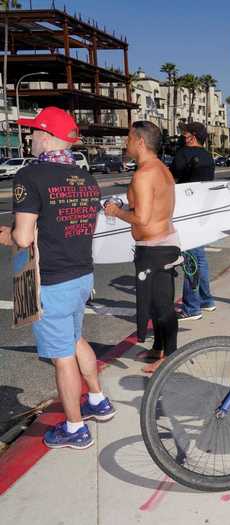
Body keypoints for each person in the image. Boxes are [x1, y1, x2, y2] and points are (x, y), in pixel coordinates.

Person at [0, 107, 115, 449]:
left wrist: (3, 234)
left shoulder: (31, 177)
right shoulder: (85, 177)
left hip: (49, 280)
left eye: (34, 132)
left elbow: (22, 238)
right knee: (76, 338)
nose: (30, 137)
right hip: (81, 274)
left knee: (61, 356)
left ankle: (75, 428)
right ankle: (97, 401)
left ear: (48, 137)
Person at [104, 121, 179, 374]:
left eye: (128, 139)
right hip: (162, 242)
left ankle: (170, 357)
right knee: (158, 302)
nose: (125, 144)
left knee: (162, 306)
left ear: (140, 141)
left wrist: (116, 211)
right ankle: (158, 347)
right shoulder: (161, 169)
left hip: (155, 247)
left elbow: (143, 218)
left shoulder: (144, 174)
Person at [170, 122, 216, 321]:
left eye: (185, 134)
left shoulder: (183, 154)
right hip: (202, 209)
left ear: (193, 136)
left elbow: (170, 179)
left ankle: (192, 307)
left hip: (185, 210)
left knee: (191, 260)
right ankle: (206, 300)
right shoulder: (208, 156)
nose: (182, 136)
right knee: (200, 258)